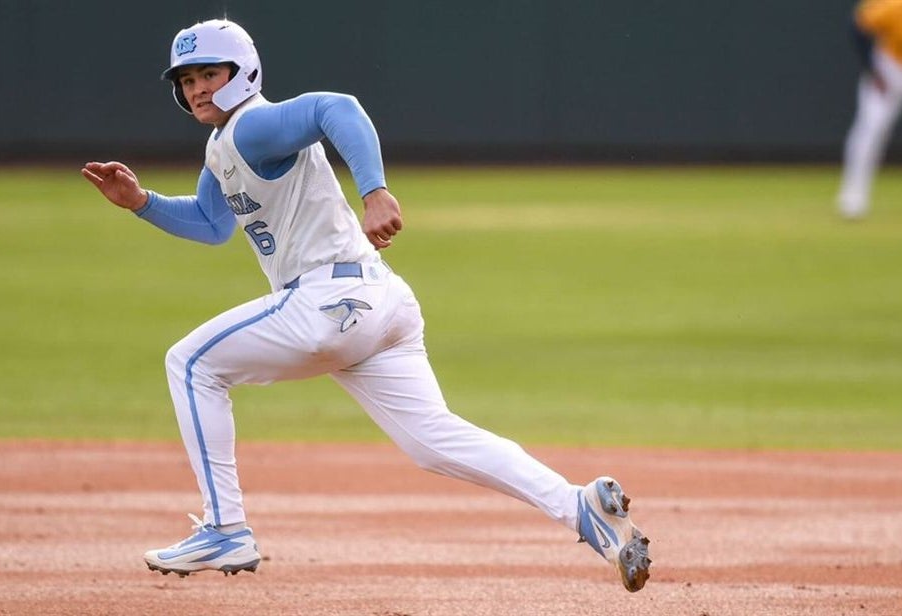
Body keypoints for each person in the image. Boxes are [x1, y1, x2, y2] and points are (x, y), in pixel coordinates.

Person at [80, 18, 652, 592]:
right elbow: (210, 225)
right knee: (434, 440)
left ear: (244, 72)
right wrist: (142, 202)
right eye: (186, 79)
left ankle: (226, 527)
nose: (198, 88)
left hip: (330, 299)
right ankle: (579, 506)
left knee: (193, 362)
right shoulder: (224, 146)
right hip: (379, 304)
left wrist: (374, 190)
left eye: (210, 72)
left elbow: (339, 107)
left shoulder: (254, 125)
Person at [838, 0, 902, 220]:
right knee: (870, 129)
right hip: (890, 68)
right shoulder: (895, 7)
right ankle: (853, 198)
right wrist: (873, 71)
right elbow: (858, 26)